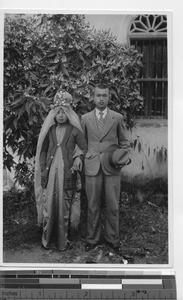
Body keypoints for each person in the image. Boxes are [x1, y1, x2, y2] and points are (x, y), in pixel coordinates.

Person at [34, 90, 87, 251]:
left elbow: (84, 148)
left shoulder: (75, 130)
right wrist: (43, 167)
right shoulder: (49, 131)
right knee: (49, 205)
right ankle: (47, 239)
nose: (61, 116)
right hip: (51, 174)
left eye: (64, 112)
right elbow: (42, 150)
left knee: (63, 206)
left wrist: (78, 157)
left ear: (69, 114)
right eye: (58, 113)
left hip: (66, 174)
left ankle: (62, 241)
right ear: (54, 114)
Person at [81, 83, 131, 254]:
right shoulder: (85, 118)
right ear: (92, 97)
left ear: (109, 97)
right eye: (98, 95)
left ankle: (112, 239)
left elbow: (124, 142)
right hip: (92, 165)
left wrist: (123, 157)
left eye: (104, 95)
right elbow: (81, 143)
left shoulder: (117, 117)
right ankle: (92, 239)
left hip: (112, 167)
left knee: (113, 204)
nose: (101, 99)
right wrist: (79, 159)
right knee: (92, 205)